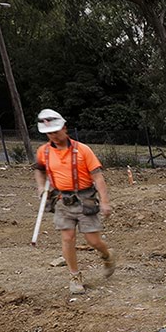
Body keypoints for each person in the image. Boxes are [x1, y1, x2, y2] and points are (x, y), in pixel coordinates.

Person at [32, 109, 116, 295]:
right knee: (67, 238)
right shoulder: (43, 152)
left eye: (55, 131)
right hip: (62, 200)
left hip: (85, 199)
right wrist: (40, 187)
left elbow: (98, 177)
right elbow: (39, 169)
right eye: (48, 133)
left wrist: (105, 201)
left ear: (64, 128)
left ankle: (107, 256)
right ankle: (74, 276)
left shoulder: (83, 150)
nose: (52, 136)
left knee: (93, 240)